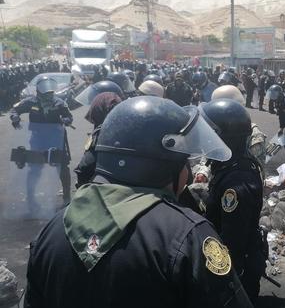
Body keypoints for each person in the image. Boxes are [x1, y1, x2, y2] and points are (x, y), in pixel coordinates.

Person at [24, 96, 253, 308]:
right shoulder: (188, 233)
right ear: (165, 165)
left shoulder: (51, 229)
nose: (188, 169)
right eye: (184, 161)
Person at [200, 99, 265, 304]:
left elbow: (232, 243)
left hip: (236, 272)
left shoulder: (236, 182)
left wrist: (222, 281)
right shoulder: (227, 164)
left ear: (224, 138)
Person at [9, 77, 73, 205]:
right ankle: (31, 196)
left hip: (56, 139)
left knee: (62, 167)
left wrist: (65, 121)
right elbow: (14, 109)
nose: (48, 92)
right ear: (38, 90)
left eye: (50, 90)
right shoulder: (30, 102)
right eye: (45, 89)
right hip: (38, 139)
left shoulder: (59, 103)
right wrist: (15, 117)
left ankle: (67, 195)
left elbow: (69, 117)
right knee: (34, 167)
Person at [74, 92, 122, 188]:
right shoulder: (129, 126)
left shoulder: (102, 132)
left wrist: (81, 183)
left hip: (106, 188)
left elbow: (85, 167)